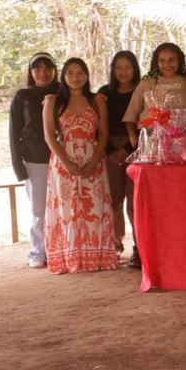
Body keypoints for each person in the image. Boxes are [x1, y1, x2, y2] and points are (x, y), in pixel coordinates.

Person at [41, 58, 117, 274]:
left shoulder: (98, 100)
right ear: (63, 76)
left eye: (80, 73)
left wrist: (94, 162)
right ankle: (68, 257)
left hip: (93, 159)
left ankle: (97, 256)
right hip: (63, 161)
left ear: (87, 75)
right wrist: (66, 162)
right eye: (70, 73)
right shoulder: (52, 101)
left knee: (94, 208)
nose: (76, 78)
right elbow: (49, 136)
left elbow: (103, 134)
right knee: (68, 210)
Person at [9, 52, 58, 268]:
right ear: (31, 72)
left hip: (63, 159)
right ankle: (38, 251)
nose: (43, 72)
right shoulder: (22, 96)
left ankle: (59, 248)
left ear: (54, 70)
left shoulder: (62, 93)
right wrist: (18, 166)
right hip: (34, 159)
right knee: (39, 209)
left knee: (62, 207)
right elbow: (14, 132)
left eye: (48, 68)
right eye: (37, 68)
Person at [97, 51, 139, 265]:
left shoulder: (143, 90)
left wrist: (130, 149)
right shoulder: (104, 93)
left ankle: (139, 248)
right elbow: (98, 125)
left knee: (134, 202)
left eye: (128, 67)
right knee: (113, 200)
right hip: (110, 152)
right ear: (113, 70)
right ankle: (115, 245)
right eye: (118, 67)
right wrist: (108, 151)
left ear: (135, 69)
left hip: (136, 151)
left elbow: (145, 123)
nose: (123, 72)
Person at [124, 43, 186, 146]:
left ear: (179, 60)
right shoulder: (146, 83)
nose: (167, 64)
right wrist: (132, 137)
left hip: (182, 137)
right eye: (162, 60)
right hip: (151, 138)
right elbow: (131, 115)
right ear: (156, 62)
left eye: (171, 60)